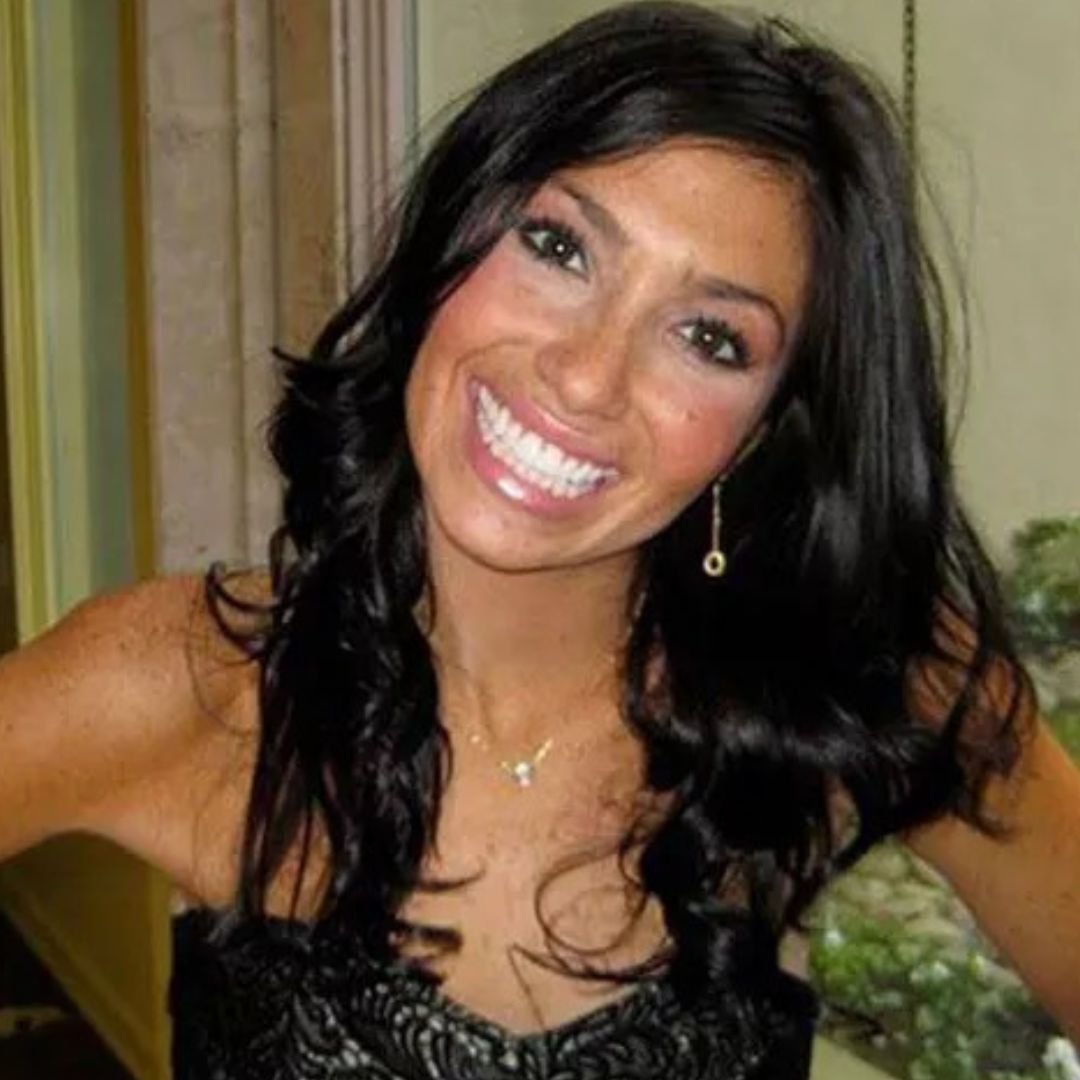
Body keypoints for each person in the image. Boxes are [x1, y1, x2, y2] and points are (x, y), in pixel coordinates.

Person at [3, 3, 1079, 1077]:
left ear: (767, 435)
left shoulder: (857, 680)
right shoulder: (181, 685)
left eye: (710, 338)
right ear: (451, 236)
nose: (585, 375)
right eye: (560, 246)